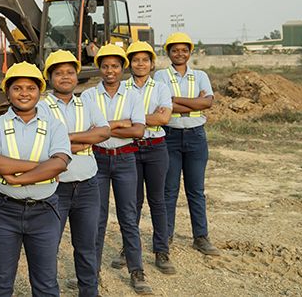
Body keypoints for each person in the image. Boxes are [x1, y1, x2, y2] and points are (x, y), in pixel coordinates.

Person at [0, 61, 72, 297]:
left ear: (39, 91)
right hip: (3, 211)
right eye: (17, 88)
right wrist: (43, 166)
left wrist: (18, 179)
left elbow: (60, 163)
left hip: (44, 210)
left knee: (45, 282)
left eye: (30, 88)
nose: (24, 93)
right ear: (8, 92)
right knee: (0, 281)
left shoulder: (54, 126)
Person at [80, 44, 152, 295]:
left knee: (128, 217)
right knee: (95, 219)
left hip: (125, 161)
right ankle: (93, 272)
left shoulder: (133, 95)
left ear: (123, 68)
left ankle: (136, 270)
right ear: (99, 68)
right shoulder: (88, 96)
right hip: (97, 160)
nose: (110, 70)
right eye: (105, 66)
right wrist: (122, 122)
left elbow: (138, 131)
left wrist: (104, 128)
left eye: (115, 66)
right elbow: (89, 131)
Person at [38, 50, 110, 297]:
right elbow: (44, 145)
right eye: (59, 73)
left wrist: (64, 140)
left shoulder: (87, 103)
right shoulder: (40, 107)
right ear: (49, 77)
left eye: (70, 72)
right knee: (49, 247)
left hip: (89, 186)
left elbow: (103, 133)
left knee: (86, 247)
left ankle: (89, 292)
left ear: (76, 75)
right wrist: (84, 140)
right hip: (55, 188)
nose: (65, 77)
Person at [107, 42, 176, 274]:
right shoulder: (121, 88)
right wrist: (144, 119)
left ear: (152, 63)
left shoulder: (161, 87)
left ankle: (161, 250)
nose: (140, 64)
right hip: (129, 148)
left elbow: (164, 119)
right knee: (131, 203)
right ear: (129, 64)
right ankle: (129, 249)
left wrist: (132, 120)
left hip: (156, 148)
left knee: (158, 201)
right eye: (135, 60)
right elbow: (114, 119)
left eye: (145, 60)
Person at [153, 33, 220, 257]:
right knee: (169, 191)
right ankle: (166, 236)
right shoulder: (161, 75)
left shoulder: (200, 75)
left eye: (184, 50)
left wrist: (176, 101)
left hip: (196, 137)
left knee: (196, 191)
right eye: (175, 50)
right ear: (168, 53)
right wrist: (194, 104)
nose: (180, 54)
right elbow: (163, 105)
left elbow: (207, 102)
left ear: (190, 52)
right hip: (169, 136)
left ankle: (200, 237)